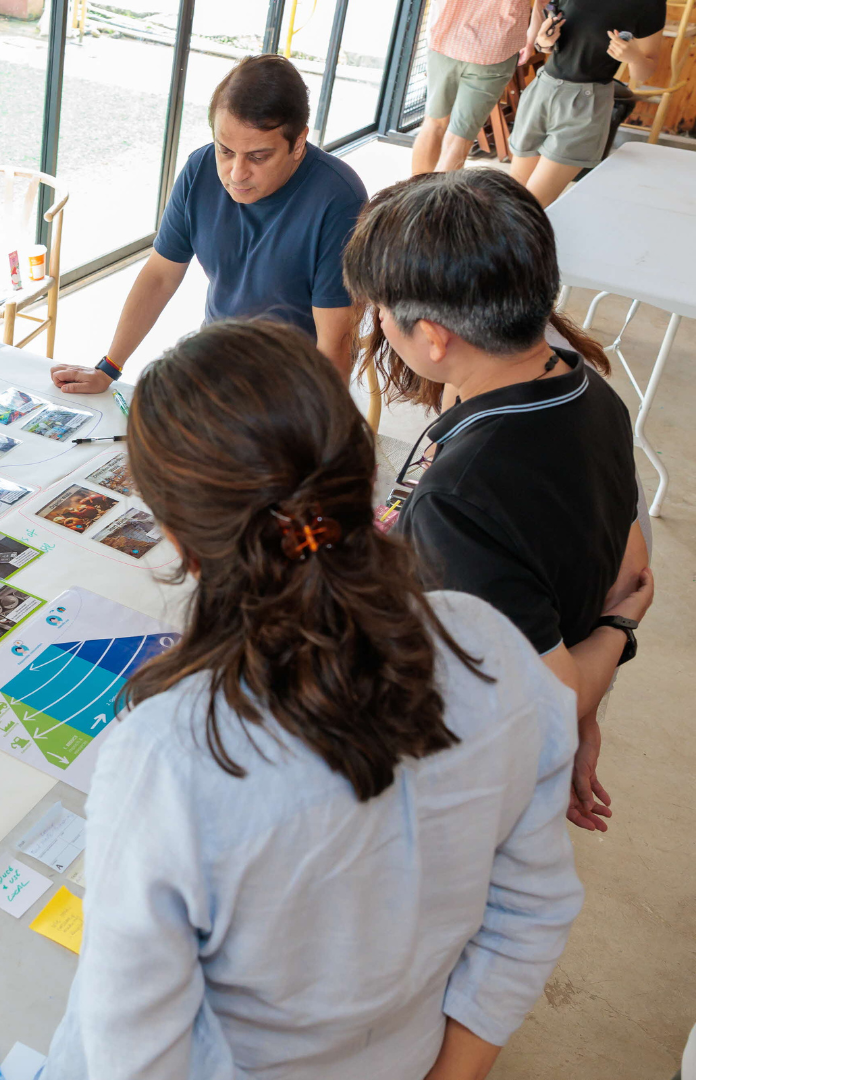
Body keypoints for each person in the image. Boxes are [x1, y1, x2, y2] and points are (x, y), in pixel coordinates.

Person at [42, 320, 584, 1080]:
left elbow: (131, 1058)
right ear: (367, 472)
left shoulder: (168, 756)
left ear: (176, 536)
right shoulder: (493, 647)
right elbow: (532, 911)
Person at [345, 168, 656, 832]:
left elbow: (549, 699)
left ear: (433, 336)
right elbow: (626, 567)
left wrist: (611, 640)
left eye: (378, 308)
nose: (375, 321)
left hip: (455, 764)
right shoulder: (586, 387)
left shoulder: (460, 500)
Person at [51, 54, 366, 394]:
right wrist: (108, 368)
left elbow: (335, 344)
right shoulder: (200, 169)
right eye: (225, 150)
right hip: (214, 364)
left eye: (258, 157)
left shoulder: (340, 200)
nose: (236, 173)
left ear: (299, 142)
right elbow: (160, 276)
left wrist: (314, 436)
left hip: (291, 386)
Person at [509, 0, 667, 205]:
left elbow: (645, 72)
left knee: (533, 204)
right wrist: (543, 42)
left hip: (586, 103)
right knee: (512, 197)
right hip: (542, 90)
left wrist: (634, 58)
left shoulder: (648, 4)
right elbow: (546, 44)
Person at [410, 0, 542, 174]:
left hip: (446, 38)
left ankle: (412, 196)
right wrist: (530, 39)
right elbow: (542, 3)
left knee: (433, 123)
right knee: (461, 136)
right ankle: (437, 200)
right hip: (495, 48)